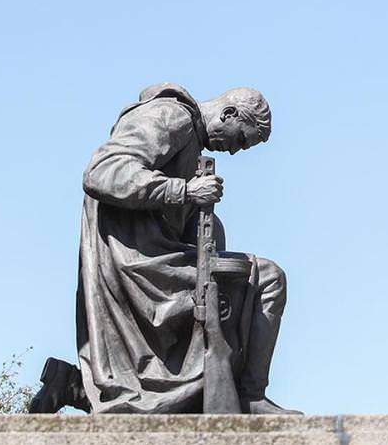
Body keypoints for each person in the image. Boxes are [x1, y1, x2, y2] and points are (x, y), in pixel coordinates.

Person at [29, 83, 299, 414]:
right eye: (240, 140)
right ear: (228, 114)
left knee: (230, 280)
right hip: (138, 264)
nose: (234, 151)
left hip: (150, 259)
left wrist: (202, 224)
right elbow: (102, 172)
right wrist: (183, 190)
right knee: (268, 278)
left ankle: (71, 384)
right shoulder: (171, 116)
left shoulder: (190, 141)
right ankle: (250, 395)